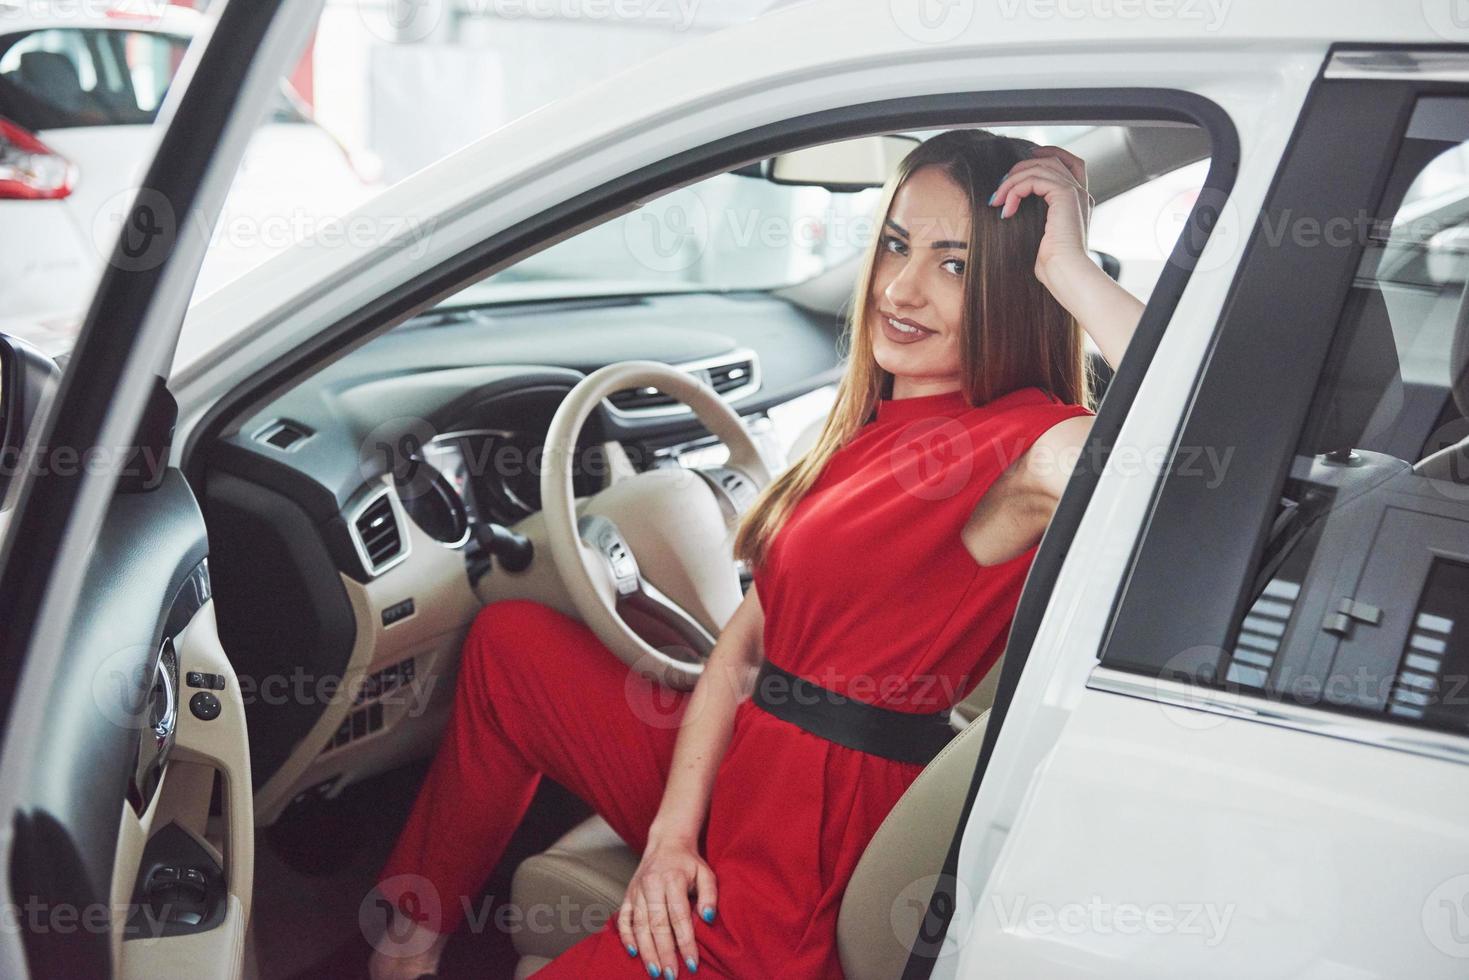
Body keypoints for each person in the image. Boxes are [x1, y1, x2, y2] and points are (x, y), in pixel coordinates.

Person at [367, 128, 1144, 980]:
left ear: (1014, 286)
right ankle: (408, 948)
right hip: (742, 755)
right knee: (512, 648)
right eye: (894, 245)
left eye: (953, 266)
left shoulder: (1031, 446)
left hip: (806, 841)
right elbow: (740, 649)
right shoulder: (864, 428)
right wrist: (670, 835)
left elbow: (1184, 450)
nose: (900, 287)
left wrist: (1070, 270)